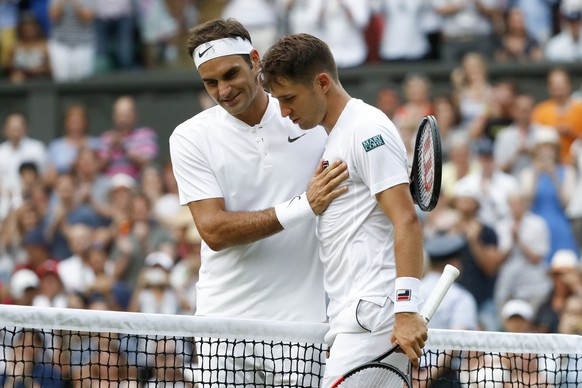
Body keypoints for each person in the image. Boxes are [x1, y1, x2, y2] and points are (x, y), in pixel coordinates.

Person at [168, 19, 348, 386]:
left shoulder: (310, 117)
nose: (223, 89)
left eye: (230, 74)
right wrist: (303, 205)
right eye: (210, 82)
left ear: (255, 61)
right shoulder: (189, 137)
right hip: (223, 324)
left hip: (301, 325)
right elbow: (213, 230)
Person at [260, 33, 428, 386]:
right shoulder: (335, 135)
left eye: (289, 98)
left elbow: (406, 219)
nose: (284, 111)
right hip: (356, 318)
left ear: (322, 82)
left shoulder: (366, 129)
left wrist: (407, 309)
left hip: (373, 314)